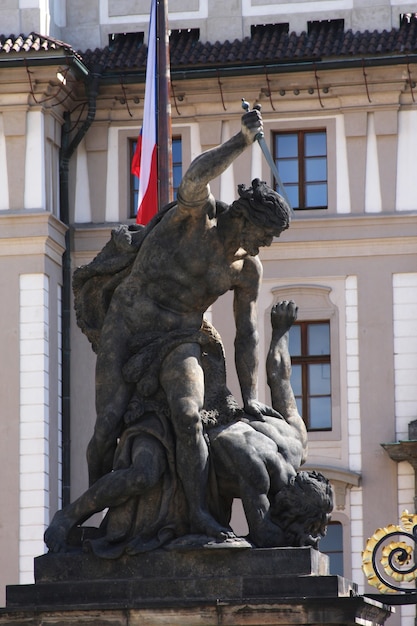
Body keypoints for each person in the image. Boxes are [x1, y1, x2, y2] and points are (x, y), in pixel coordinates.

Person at [84, 107, 291, 540]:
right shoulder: (196, 218)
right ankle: (101, 512)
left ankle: (198, 512)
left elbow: (247, 334)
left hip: (182, 336)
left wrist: (250, 397)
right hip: (129, 324)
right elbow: (194, 177)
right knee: (107, 426)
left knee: (188, 414)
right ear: (246, 218)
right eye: (266, 234)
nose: (267, 244)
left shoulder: (246, 270)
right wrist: (241, 141)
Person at [45, 301, 332, 555]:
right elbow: (263, 535)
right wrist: (303, 544)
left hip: (203, 405)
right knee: (143, 474)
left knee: (142, 473)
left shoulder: (295, 441)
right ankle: (66, 518)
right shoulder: (256, 471)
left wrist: (281, 331)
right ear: (284, 508)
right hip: (170, 414)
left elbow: (279, 377)